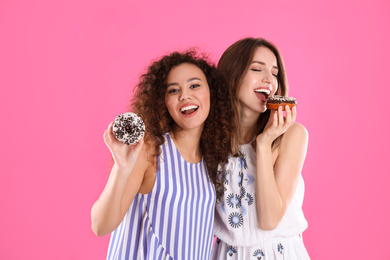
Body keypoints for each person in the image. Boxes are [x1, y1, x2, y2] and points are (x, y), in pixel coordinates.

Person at [91, 50, 232, 260]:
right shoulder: (150, 149)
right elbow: (101, 226)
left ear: (212, 93)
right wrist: (121, 169)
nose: (185, 95)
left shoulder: (212, 160)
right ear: (163, 101)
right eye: (173, 90)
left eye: (194, 85)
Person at [212, 37, 310, 259]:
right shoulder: (210, 139)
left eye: (274, 73)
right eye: (257, 69)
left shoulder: (291, 136)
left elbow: (269, 220)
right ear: (231, 75)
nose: (269, 80)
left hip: (279, 253)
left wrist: (264, 145)